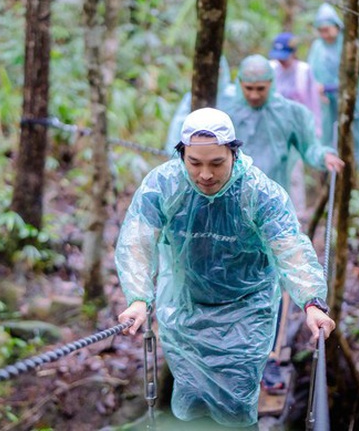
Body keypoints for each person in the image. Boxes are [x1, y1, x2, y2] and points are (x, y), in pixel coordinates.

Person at [116, 108, 336, 427]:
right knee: (190, 402)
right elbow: (137, 240)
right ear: (182, 156)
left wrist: (312, 301)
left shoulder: (259, 193)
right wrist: (138, 297)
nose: (205, 174)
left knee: (236, 403)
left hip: (246, 310)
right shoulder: (163, 186)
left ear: (234, 152)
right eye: (195, 163)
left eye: (216, 163)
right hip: (184, 308)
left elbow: (290, 247)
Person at [220, 54, 343, 190]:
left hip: (274, 194)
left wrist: (324, 156)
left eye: (260, 88)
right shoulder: (225, 113)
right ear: (240, 83)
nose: (254, 95)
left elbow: (309, 146)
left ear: (271, 83)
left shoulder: (289, 113)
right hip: (234, 191)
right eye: (249, 88)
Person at [307, 3, 359, 174]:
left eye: (328, 30)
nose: (325, 34)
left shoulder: (350, 47)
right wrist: (317, 89)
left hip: (354, 104)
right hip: (328, 105)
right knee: (329, 137)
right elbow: (311, 74)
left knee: (357, 140)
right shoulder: (318, 47)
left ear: (337, 26)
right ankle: (330, 173)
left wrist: (332, 88)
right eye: (321, 30)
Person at [268, 32, 323, 216]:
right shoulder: (270, 69)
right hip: (272, 130)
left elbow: (312, 102)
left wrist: (314, 130)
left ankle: (297, 215)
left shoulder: (303, 71)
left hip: (295, 131)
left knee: (295, 174)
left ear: (293, 53)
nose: (282, 61)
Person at [164, 56, 234, 152]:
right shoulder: (193, 97)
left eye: (217, 68)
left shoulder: (234, 95)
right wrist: (174, 154)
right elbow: (178, 126)